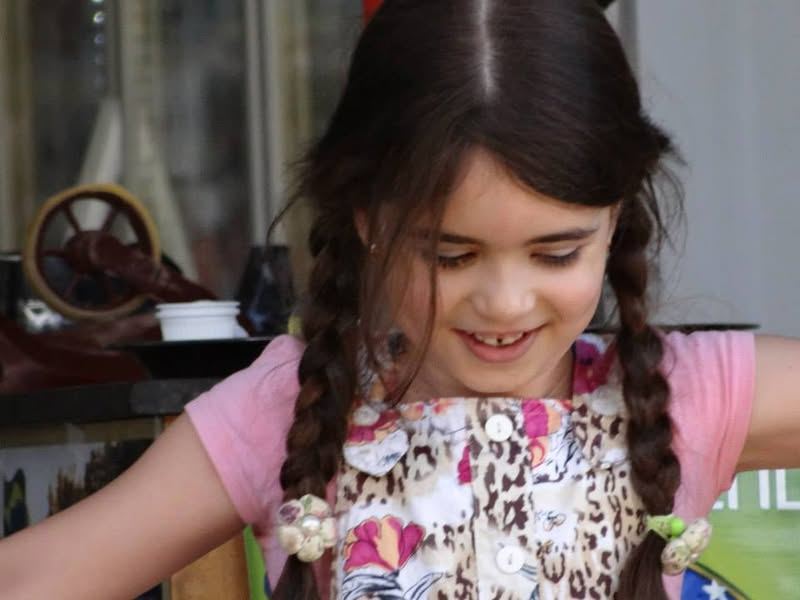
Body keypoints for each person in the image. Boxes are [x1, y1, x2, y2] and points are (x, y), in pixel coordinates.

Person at [2, 1, 798, 599]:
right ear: (366, 219)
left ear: (614, 220)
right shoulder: (287, 408)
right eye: (451, 255)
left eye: (557, 253)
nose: (505, 302)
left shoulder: (692, 394)